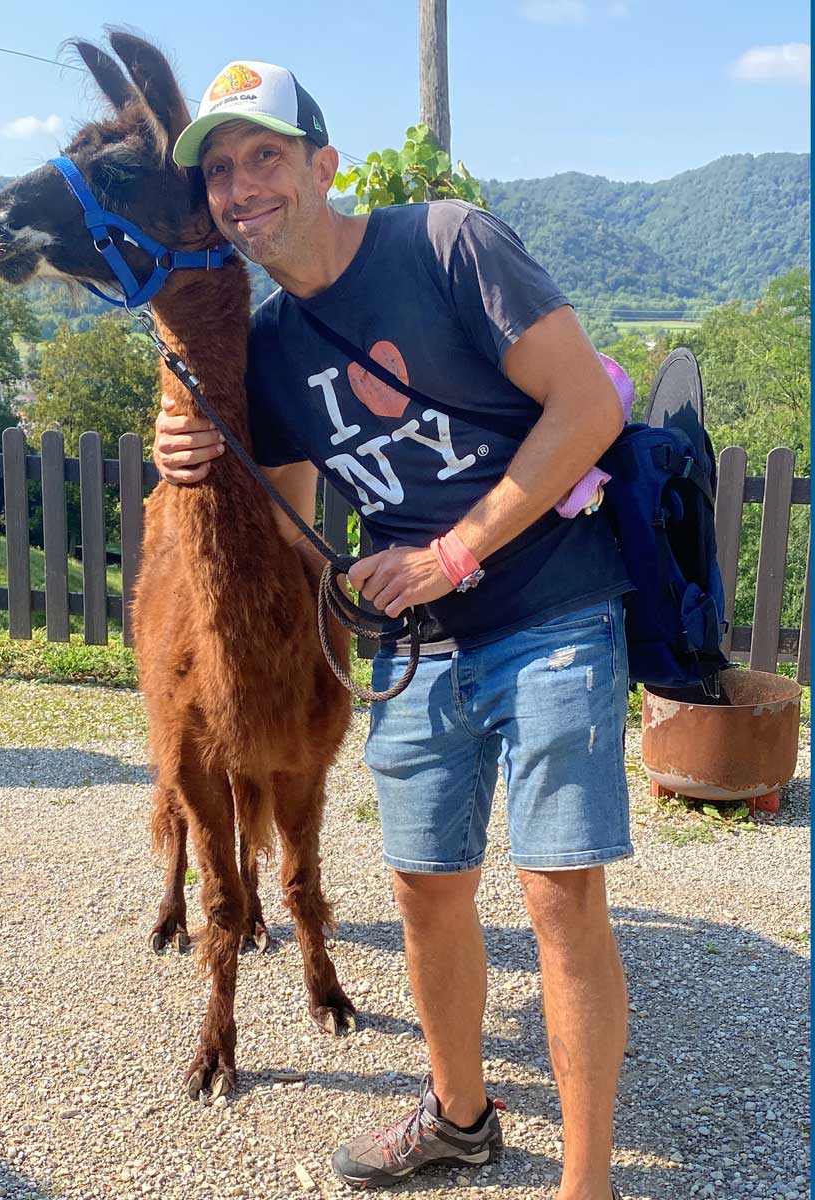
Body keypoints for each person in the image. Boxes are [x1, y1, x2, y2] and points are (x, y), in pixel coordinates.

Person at [155, 60, 631, 1200]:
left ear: (325, 165)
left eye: (264, 154)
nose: (240, 185)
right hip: (419, 647)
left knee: (557, 889)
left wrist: (452, 553)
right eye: (219, 170)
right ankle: (461, 1120)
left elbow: (590, 404)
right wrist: (193, 470)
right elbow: (293, 524)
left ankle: (589, 1181)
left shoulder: (447, 247)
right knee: (425, 886)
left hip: (552, 608)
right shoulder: (272, 349)